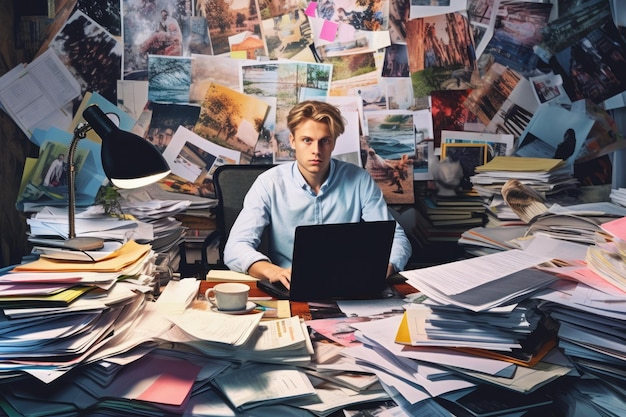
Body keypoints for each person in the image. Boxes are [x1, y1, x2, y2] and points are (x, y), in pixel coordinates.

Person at [224, 100, 412, 289]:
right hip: (290, 286)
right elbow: (235, 247)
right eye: (307, 140)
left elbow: (396, 238)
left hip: (350, 285)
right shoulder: (269, 184)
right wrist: (272, 271)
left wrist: (386, 266)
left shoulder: (359, 180)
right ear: (292, 141)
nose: (316, 151)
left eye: (325, 141)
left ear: (333, 143)